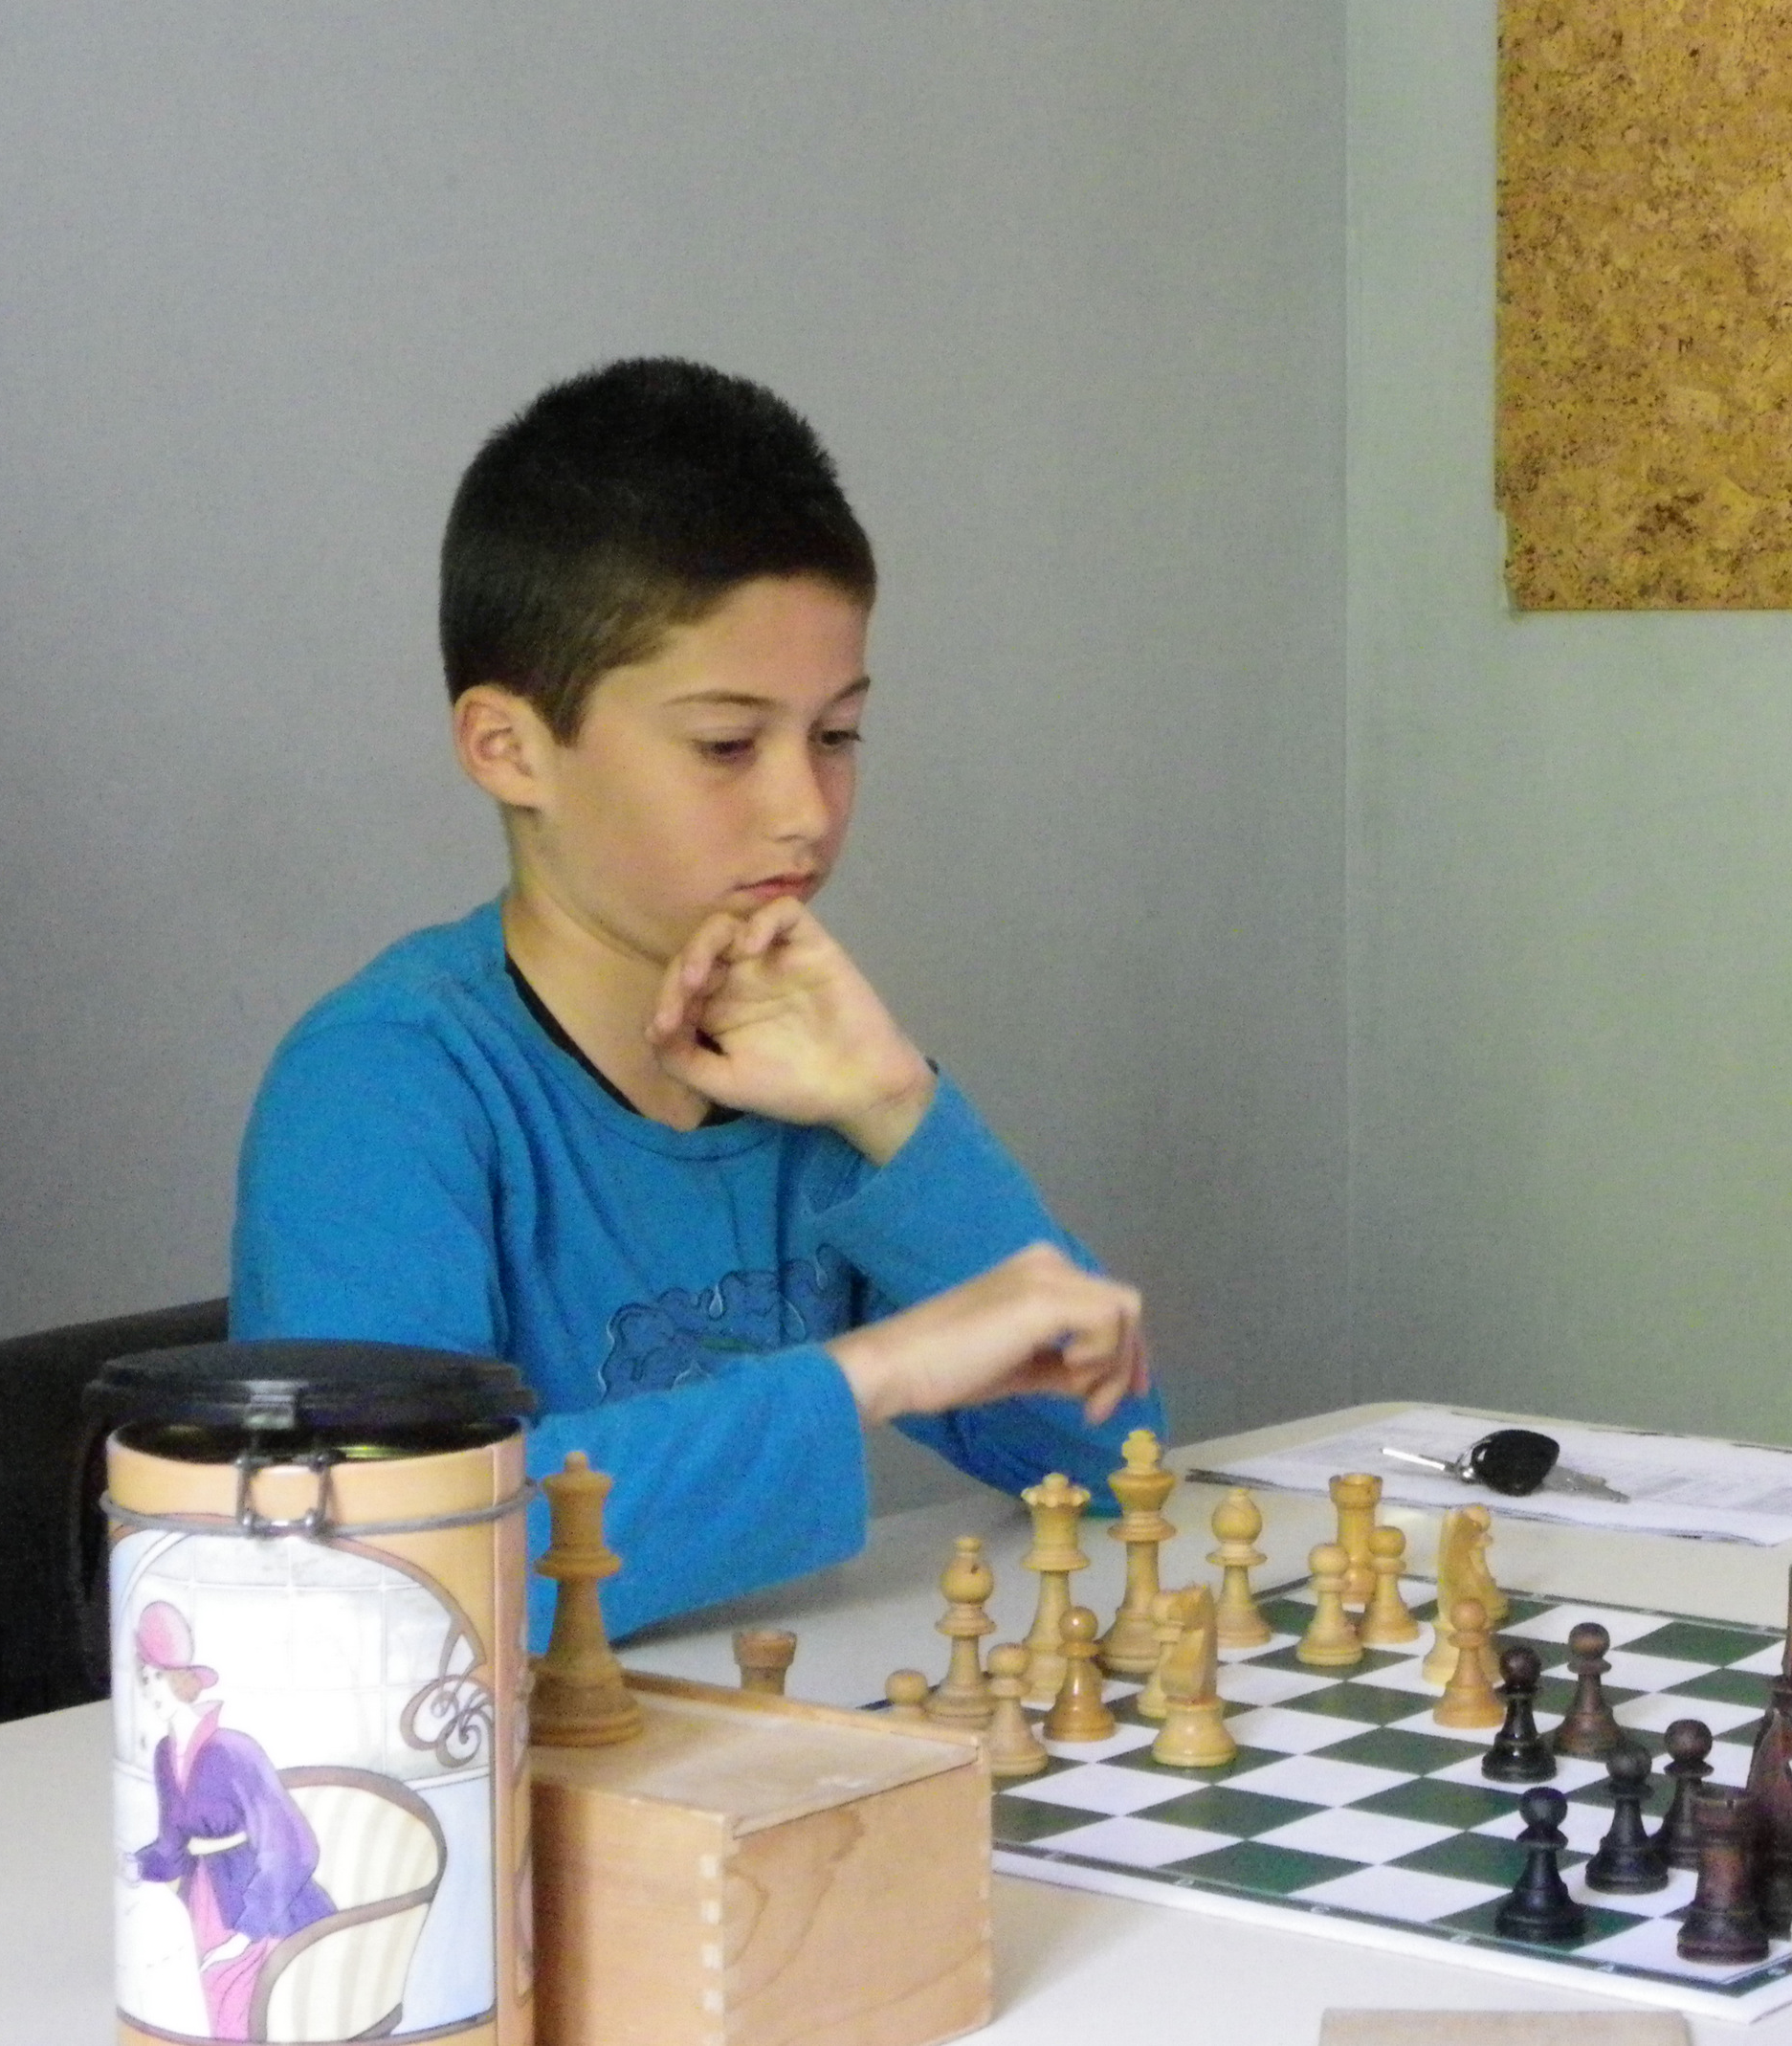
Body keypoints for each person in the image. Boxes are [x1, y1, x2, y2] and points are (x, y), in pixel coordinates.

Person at [232, 359, 1159, 1640]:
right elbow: (402, 1573)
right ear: (510, 746)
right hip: (503, 1761)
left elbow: (1112, 1461)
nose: (805, 808)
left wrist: (898, 1107)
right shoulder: (377, 1089)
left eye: (836, 734)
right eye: (727, 743)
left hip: (770, 1731)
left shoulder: (805, 1065)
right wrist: (870, 1373)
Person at [126, 1602, 335, 2038]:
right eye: (145, 1677)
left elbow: (293, 1846)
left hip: (261, 1904)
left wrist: (246, 1931)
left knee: (227, 1991)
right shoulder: (165, 1756)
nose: (151, 1688)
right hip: (203, 1896)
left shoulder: (233, 1750)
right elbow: (172, 1849)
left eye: (160, 1676)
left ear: (183, 1679)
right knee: (175, 1986)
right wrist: (134, 1864)